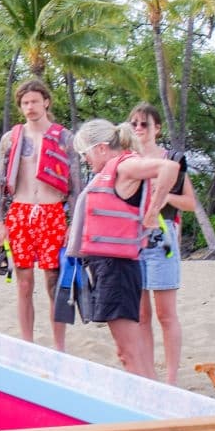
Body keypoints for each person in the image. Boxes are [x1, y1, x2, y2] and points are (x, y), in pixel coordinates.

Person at [69, 119, 179, 379]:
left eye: (85, 154)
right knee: (133, 349)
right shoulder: (115, 169)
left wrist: (154, 211)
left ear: (102, 148)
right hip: (112, 268)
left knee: (127, 353)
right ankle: (152, 399)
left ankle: (148, 411)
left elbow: (170, 167)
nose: (86, 160)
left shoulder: (124, 166)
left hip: (117, 269)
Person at [0, 80, 82, 350]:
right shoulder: (11, 138)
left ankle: (59, 347)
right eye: (25, 103)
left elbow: (76, 187)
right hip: (19, 212)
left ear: (46, 102)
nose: (30, 107)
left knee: (54, 282)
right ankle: (27, 344)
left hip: (52, 211)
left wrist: (73, 223)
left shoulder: (64, 138)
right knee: (23, 283)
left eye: (34, 101)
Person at [127, 102, 194, 385]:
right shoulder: (128, 160)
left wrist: (166, 198)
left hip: (163, 237)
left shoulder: (173, 160)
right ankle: (149, 376)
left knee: (166, 313)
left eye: (145, 124)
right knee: (141, 314)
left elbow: (190, 203)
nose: (139, 129)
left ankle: (171, 378)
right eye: (135, 124)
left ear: (157, 128)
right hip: (132, 238)